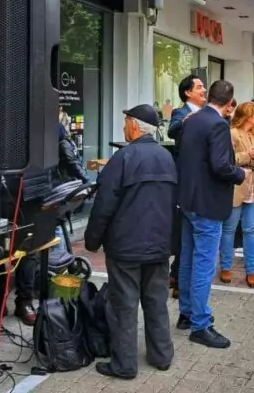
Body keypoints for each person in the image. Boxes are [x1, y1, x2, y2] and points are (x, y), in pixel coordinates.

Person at [84, 104, 176, 379]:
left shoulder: (122, 158)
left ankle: (124, 365)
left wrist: (92, 241)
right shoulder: (167, 157)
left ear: (134, 126)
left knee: (123, 305)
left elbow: (104, 205)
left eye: (126, 122)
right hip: (158, 245)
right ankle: (161, 356)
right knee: (156, 301)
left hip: (126, 247)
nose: (124, 127)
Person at [176, 80, 245, 349]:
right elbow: (220, 165)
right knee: (204, 263)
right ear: (229, 103)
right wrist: (240, 173)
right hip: (207, 203)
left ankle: (187, 313)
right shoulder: (217, 124)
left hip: (188, 199)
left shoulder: (192, 119)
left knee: (187, 259)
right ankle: (200, 324)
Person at [166, 74, 207, 298]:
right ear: (188, 92)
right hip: (185, 178)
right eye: (199, 87)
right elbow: (172, 131)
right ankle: (179, 280)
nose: (204, 90)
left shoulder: (208, 113)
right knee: (184, 230)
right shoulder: (180, 113)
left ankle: (177, 274)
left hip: (202, 178)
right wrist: (187, 120)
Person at [220, 101, 254, 288]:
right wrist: (247, 155)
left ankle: (251, 270)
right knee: (229, 229)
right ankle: (225, 267)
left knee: (251, 229)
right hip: (236, 187)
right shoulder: (231, 133)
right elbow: (227, 160)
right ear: (247, 117)